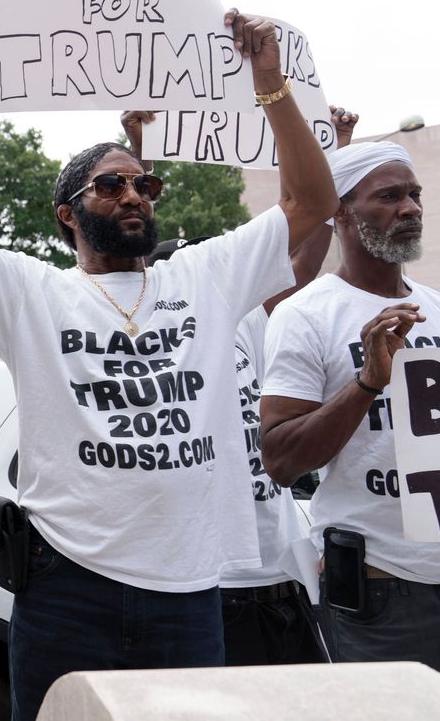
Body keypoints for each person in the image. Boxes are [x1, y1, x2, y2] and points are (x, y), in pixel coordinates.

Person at [0, 0, 337, 721]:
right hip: (66, 588)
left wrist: (271, 86)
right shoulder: (30, 292)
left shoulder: (205, 277)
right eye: (110, 184)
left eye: (144, 183)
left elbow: (312, 203)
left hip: (192, 590)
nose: (134, 194)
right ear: (68, 214)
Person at [260, 140, 440, 718]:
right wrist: (366, 383)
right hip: (386, 595)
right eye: (389, 196)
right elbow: (282, 457)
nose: (410, 207)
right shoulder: (305, 315)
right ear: (341, 210)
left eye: (414, 195)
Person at [128, 106, 357, 668]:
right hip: (201, 582)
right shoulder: (144, 322)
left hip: (277, 578)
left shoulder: (248, 319)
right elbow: (121, 253)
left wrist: (331, 156)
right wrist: (141, 156)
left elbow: (296, 258)